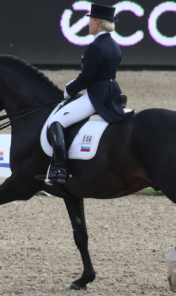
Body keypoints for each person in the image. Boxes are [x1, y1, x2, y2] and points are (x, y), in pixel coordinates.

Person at [36, 3, 128, 185]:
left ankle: (59, 169)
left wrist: (69, 89)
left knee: (56, 122)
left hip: (96, 96)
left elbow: (86, 78)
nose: (88, 24)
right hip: (112, 91)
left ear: (98, 24)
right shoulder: (114, 45)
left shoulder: (96, 47)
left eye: (90, 21)